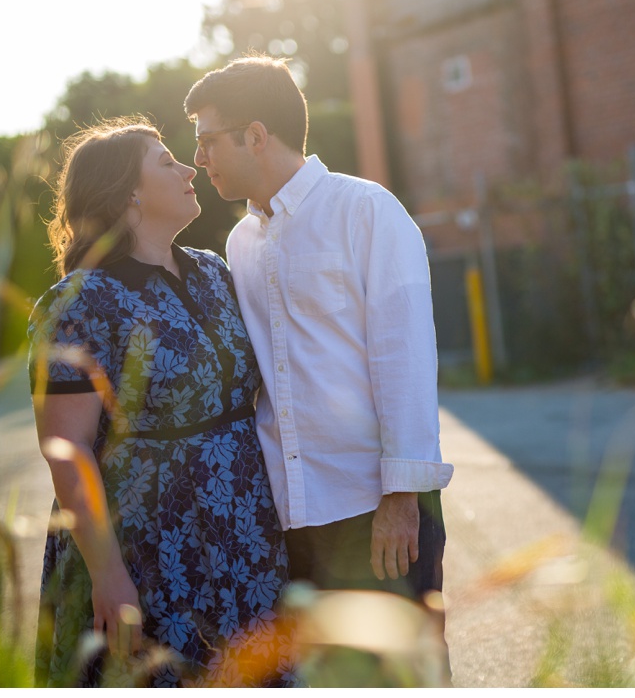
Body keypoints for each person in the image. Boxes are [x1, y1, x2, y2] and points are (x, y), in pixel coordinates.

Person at [183, 56, 453, 679]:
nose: (200, 157)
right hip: (290, 512)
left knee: (404, 676)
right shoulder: (239, 243)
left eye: (208, 140)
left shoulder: (366, 211)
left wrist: (400, 497)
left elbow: (404, 357)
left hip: (375, 507)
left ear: (255, 135)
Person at [27, 117, 292, 687]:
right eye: (167, 162)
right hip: (147, 544)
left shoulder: (214, 272)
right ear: (130, 193)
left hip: (244, 532)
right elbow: (66, 446)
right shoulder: (78, 301)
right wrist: (108, 573)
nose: (189, 167)